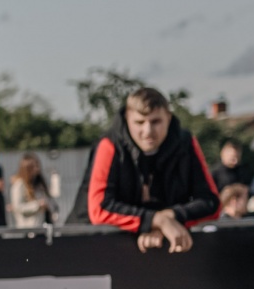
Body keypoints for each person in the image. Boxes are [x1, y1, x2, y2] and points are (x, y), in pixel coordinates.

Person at [86, 85, 219, 254]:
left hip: (167, 249)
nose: (147, 131)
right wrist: (155, 221)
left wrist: (170, 217)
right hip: (96, 248)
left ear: (168, 118)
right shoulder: (109, 144)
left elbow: (211, 202)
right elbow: (99, 209)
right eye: (139, 122)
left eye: (156, 121)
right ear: (127, 118)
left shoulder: (186, 142)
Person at [8, 154, 56, 228]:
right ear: (27, 169)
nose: (37, 169)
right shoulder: (19, 185)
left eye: (38, 166)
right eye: (34, 167)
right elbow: (18, 207)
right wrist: (37, 205)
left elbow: (50, 202)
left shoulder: (39, 184)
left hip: (42, 226)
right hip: (27, 228)